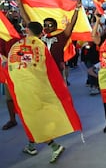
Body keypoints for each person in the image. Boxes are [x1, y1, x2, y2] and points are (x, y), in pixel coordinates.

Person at [8, 22, 71, 163]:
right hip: (41, 86)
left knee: (33, 119)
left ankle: (54, 146)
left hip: (27, 89)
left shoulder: (22, 45)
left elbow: (19, 67)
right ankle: (31, 145)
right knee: (32, 118)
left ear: (27, 30)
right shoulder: (40, 45)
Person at [18, 0, 82, 84]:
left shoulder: (61, 36)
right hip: (41, 69)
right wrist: (20, 4)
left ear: (55, 26)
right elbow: (28, 21)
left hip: (56, 69)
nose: (47, 27)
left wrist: (77, 9)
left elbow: (71, 24)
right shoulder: (39, 35)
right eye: (45, 25)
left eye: (50, 25)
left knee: (58, 91)